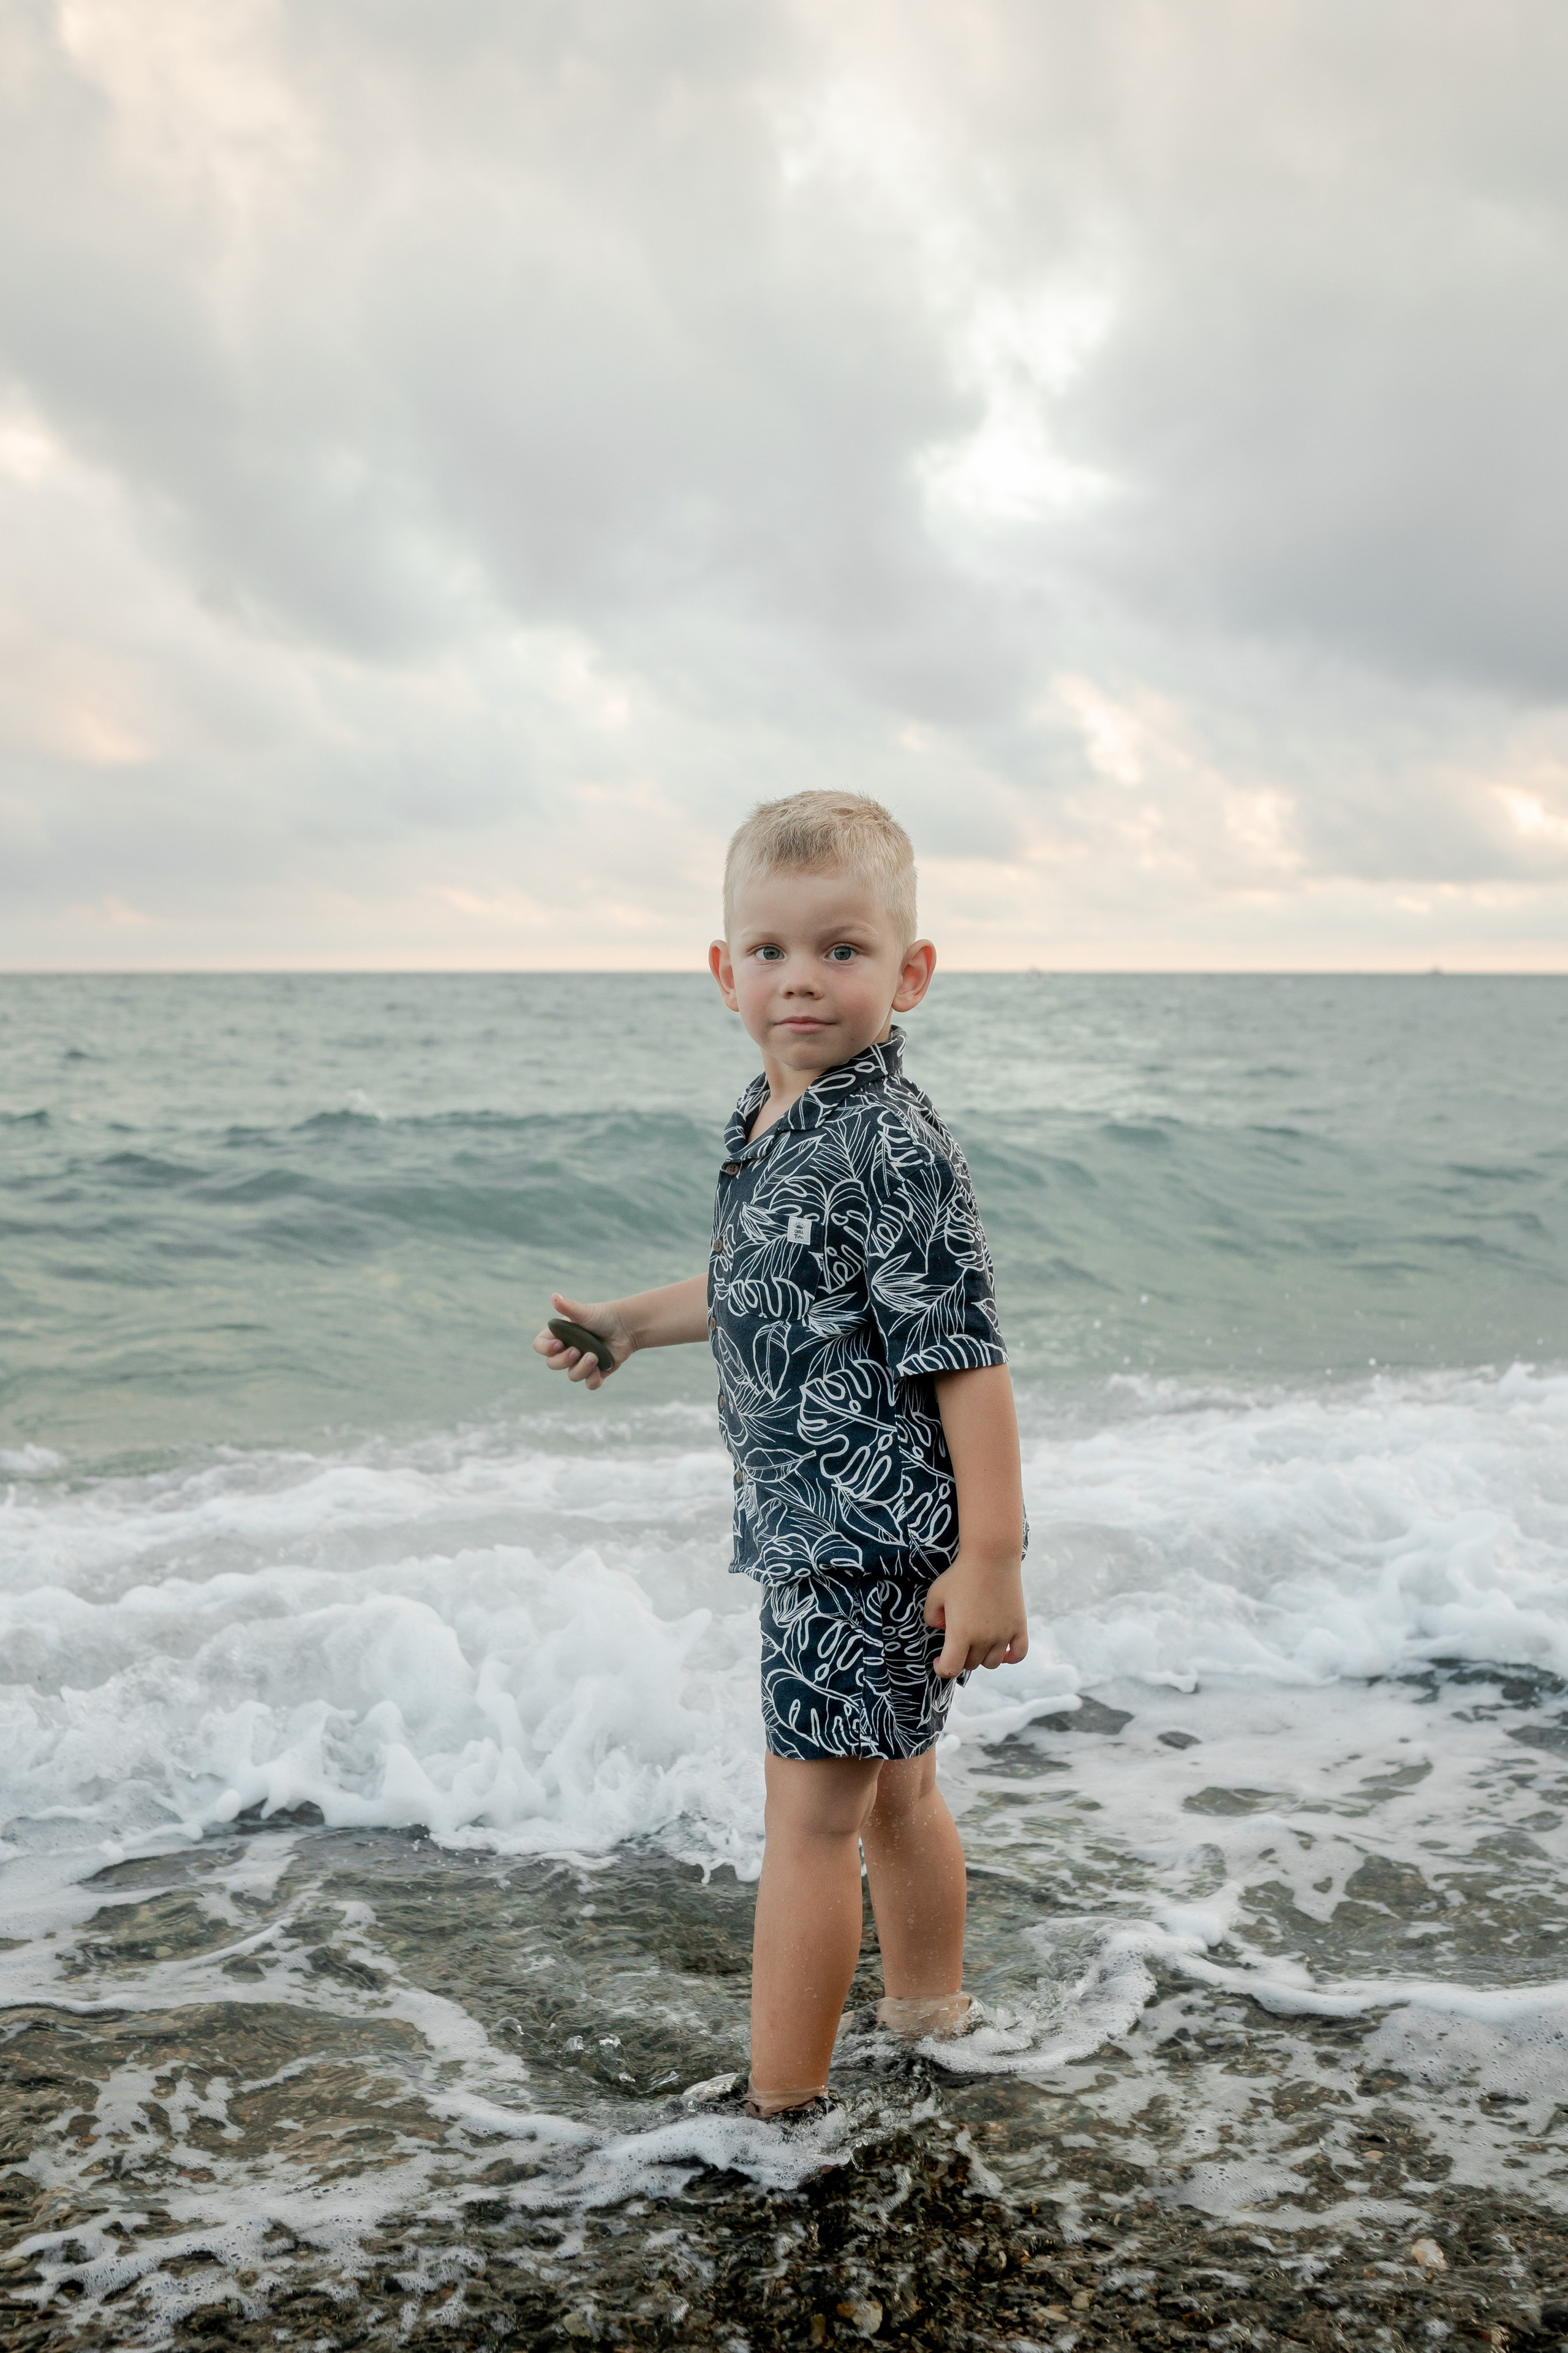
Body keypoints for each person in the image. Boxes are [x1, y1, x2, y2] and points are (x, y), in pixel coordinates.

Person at [533, 790, 1028, 2119]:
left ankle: (778, 2112)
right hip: (830, 1525)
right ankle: (930, 2014)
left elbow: (967, 1361)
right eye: (769, 951)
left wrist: (991, 1560)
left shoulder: (887, 1142)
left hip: (859, 1535)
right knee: (894, 1792)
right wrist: (634, 1322)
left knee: (807, 1823)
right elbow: (767, 1281)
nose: (800, 978)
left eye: (841, 949)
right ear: (723, 973)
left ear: (908, 971)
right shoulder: (773, 1113)